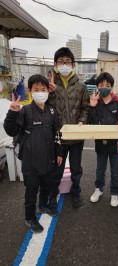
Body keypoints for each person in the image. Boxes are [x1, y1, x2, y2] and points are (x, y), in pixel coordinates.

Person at [4, 74, 62, 233]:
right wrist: (12, 113)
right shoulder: (25, 111)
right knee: (31, 191)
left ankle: (43, 206)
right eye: (36, 89)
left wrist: (59, 153)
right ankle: (29, 218)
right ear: (30, 91)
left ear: (48, 92)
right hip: (31, 162)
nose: (40, 92)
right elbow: (11, 130)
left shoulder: (51, 111)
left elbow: (57, 132)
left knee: (46, 187)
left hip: (48, 159)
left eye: (43, 89)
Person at [47, 47, 90, 209]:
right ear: (55, 64)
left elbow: (85, 108)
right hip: (58, 136)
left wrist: (82, 121)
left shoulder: (81, 86)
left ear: (73, 64)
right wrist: (51, 92)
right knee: (56, 168)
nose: (64, 65)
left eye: (67, 62)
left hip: (77, 135)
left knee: (76, 167)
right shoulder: (49, 85)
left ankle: (76, 190)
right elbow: (45, 107)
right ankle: (53, 194)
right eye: (61, 62)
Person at [89, 72, 118, 207]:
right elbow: (91, 122)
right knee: (100, 169)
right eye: (101, 85)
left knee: (115, 171)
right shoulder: (96, 102)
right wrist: (93, 106)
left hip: (116, 144)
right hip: (101, 142)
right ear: (97, 87)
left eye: (107, 85)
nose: (104, 87)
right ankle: (99, 189)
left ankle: (114, 193)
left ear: (112, 87)